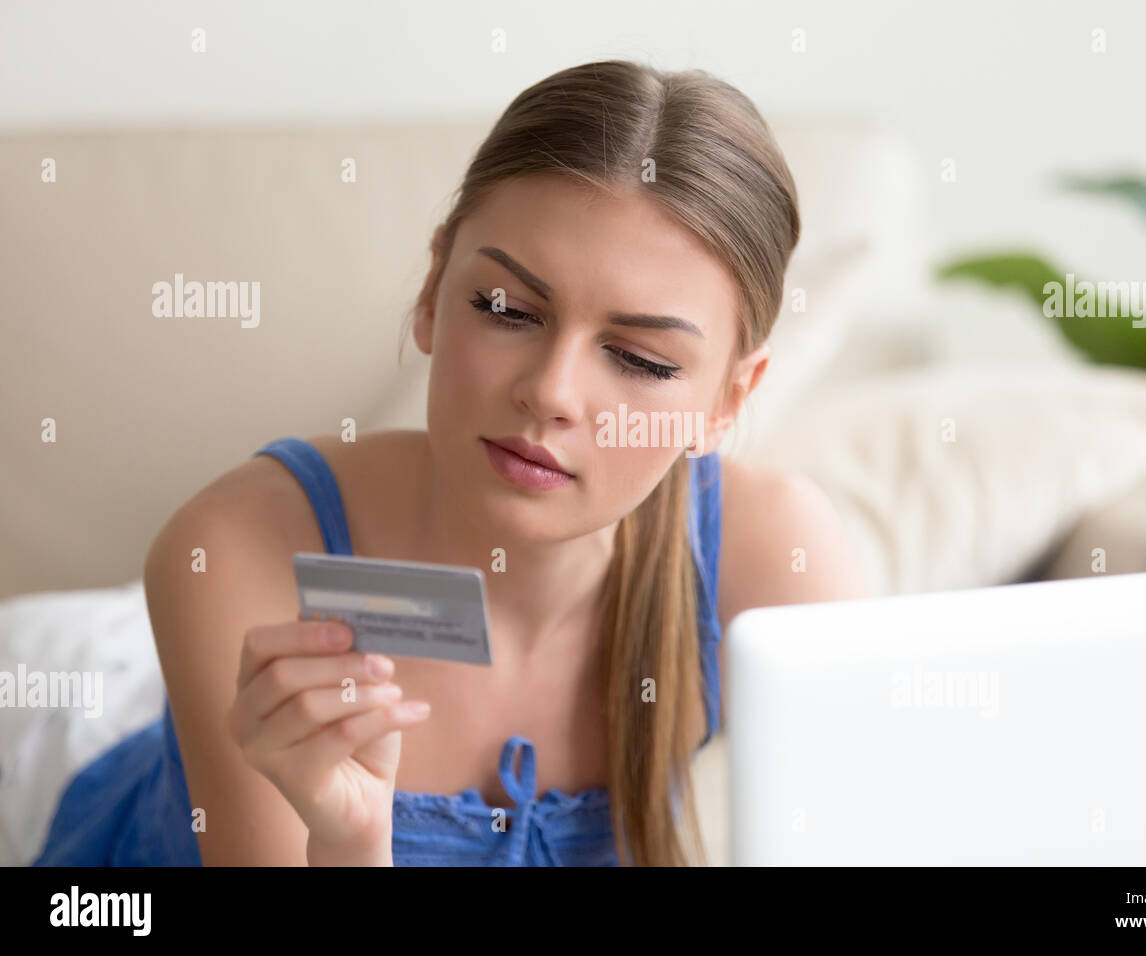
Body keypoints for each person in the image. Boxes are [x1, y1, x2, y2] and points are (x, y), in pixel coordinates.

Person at [32, 58, 865, 868]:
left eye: (641, 360)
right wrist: (349, 845)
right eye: (506, 308)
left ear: (729, 401)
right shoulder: (235, 547)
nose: (551, 393)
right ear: (433, 292)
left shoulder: (768, 562)